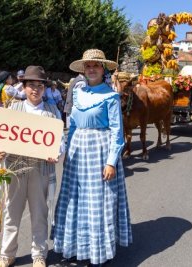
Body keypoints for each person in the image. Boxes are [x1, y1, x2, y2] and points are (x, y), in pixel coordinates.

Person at [52, 49, 132, 266]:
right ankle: (76, 246)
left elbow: (117, 131)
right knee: (75, 199)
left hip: (99, 151)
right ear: (84, 70)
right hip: (78, 151)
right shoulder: (77, 93)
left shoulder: (110, 95)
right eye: (88, 66)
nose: (92, 69)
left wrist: (110, 161)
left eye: (96, 65)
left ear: (103, 69)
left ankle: (98, 250)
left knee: (97, 200)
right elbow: (74, 124)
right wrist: (68, 150)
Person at [0, 66, 64, 267]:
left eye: (39, 86)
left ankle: (39, 254)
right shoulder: (13, 109)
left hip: (40, 169)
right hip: (15, 167)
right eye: (31, 85)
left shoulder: (52, 111)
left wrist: (56, 152)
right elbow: (1, 137)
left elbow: (60, 140)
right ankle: (7, 254)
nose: (35, 90)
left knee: (39, 213)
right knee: (11, 212)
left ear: (44, 88)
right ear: (23, 87)